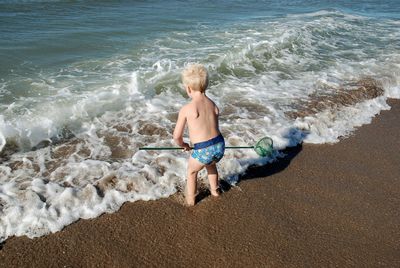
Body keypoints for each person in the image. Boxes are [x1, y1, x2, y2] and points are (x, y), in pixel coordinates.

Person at [173, 64, 225, 206]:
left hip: (203, 149)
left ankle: (191, 199)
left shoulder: (187, 109)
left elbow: (176, 136)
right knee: (211, 165)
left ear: (188, 88)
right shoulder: (213, 105)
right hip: (219, 145)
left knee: (191, 171)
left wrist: (184, 145)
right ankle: (215, 190)